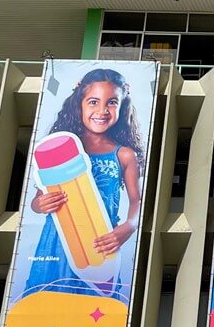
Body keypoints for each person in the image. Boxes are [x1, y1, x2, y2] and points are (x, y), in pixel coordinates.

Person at [25, 68, 146, 301]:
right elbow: (36, 200)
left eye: (111, 102)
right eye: (93, 102)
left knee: (94, 310)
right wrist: (41, 203)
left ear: (122, 107)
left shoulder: (124, 155)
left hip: (100, 242)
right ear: (79, 103)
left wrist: (129, 227)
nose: (102, 110)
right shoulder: (60, 148)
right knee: (45, 305)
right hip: (57, 240)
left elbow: (136, 200)